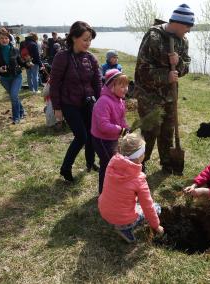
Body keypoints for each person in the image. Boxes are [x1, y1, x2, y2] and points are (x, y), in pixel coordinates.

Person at [134, 3, 194, 174]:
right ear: (178, 23)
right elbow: (142, 71)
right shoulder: (153, 36)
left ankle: (167, 162)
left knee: (167, 130)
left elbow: (186, 66)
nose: (189, 31)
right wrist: (165, 76)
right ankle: (139, 164)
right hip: (149, 95)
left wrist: (179, 63)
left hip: (170, 95)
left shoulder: (183, 41)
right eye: (188, 27)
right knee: (150, 130)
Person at [50, 21, 101, 182]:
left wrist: (100, 103)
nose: (88, 43)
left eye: (90, 40)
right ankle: (66, 168)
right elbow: (55, 83)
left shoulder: (91, 58)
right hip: (69, 103)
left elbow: (97, 82)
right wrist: (57, 108)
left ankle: (90, 162)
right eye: (85, 39)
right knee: (81, 136)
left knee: (92, 134)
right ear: (73, 38)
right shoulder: (62, 57)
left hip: (88, 103)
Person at [98, 133, 164, 243]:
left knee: (128, 203)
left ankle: (120, 223)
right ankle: (125, 229)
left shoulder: (112, 163)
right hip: (122, 218)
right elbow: (148, 207)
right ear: (139, 156)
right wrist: (157, 226)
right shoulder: (138, 179)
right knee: (156, 207)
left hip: (104, 210)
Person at [91, 69, 130, 194]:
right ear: (111, 86)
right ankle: (104, 192)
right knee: (108, 164)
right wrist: (120, 130)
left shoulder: (119, 100)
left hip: (112, 138)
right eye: (122, 86)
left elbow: (121, 118)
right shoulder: (103, 102)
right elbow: (103, 125)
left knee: (111, 163)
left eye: (126, 85)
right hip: (101, 139)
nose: (126, 89)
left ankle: (110, 190)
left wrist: (126, 130)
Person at [0, 28, 27, 124]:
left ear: (9, 39)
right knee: (14, 96)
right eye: (2, 38)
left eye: (6, 38)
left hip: (16, 76)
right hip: (4, 78)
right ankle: (22, 111)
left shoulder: (15, 49)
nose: (4, 40)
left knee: (14, 96)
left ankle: (16, 117)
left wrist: (28, 64)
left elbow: (20, 61)